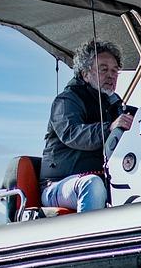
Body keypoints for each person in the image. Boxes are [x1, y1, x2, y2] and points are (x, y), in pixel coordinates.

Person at [40, 39, 134, 212]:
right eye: (103, 69)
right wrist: (109, 128)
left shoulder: (115, 105)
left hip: (103, 178)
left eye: (115, 70)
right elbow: (72, 133)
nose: (111, 75)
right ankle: (87, 237)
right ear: (85, 74)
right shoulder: (67, 100)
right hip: (58, 184)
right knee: (92, 184)